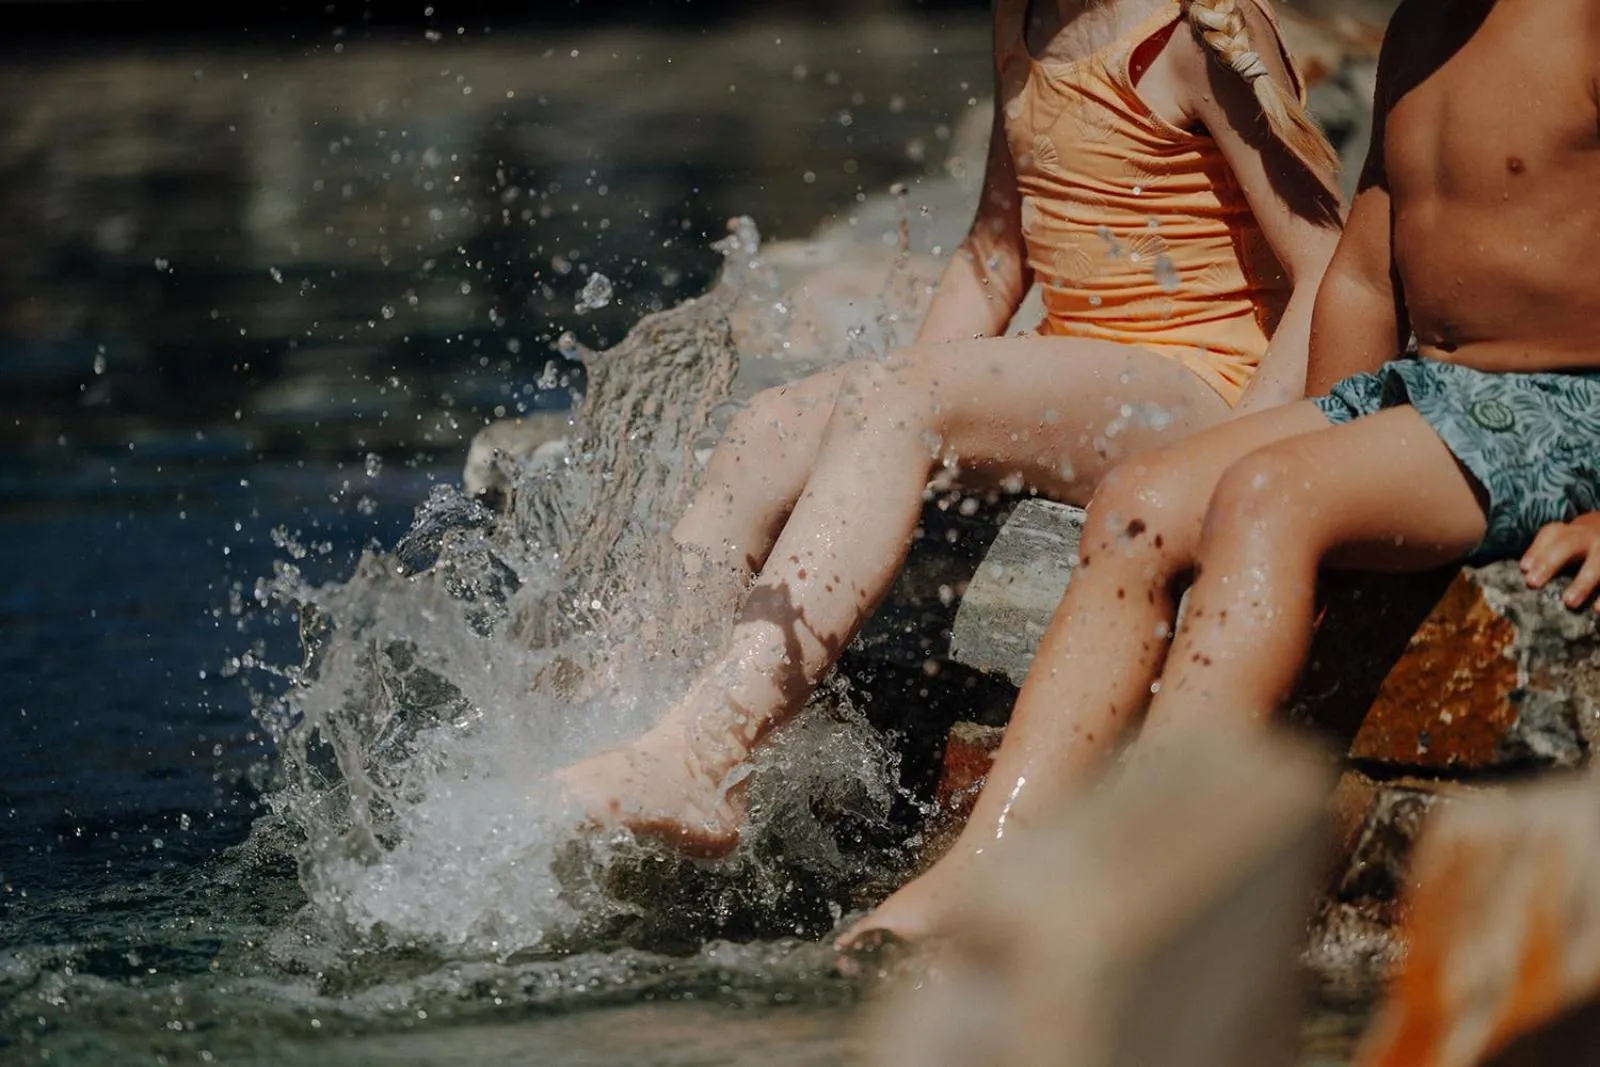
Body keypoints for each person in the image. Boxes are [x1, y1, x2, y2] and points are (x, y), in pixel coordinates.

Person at [840, 0, 1600, 947]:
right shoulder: (1420, 30)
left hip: (1567, 406)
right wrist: (1318, 430)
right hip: (1427, 390)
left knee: (1268, 497)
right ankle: (987, 860)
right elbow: (1363, 274)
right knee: (1142, 498)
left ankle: (1152, 868)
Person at [556, 0, 1343, 859]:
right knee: (766, 427)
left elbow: (1327, 264)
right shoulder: (1025, 16)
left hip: (1201, 386)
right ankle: (618, 717)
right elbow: (994, 252)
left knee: (899, 400)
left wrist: (1236, 458)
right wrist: (892, 419)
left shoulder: (1199, 32)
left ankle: (707, 751)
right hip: (1088, 366)